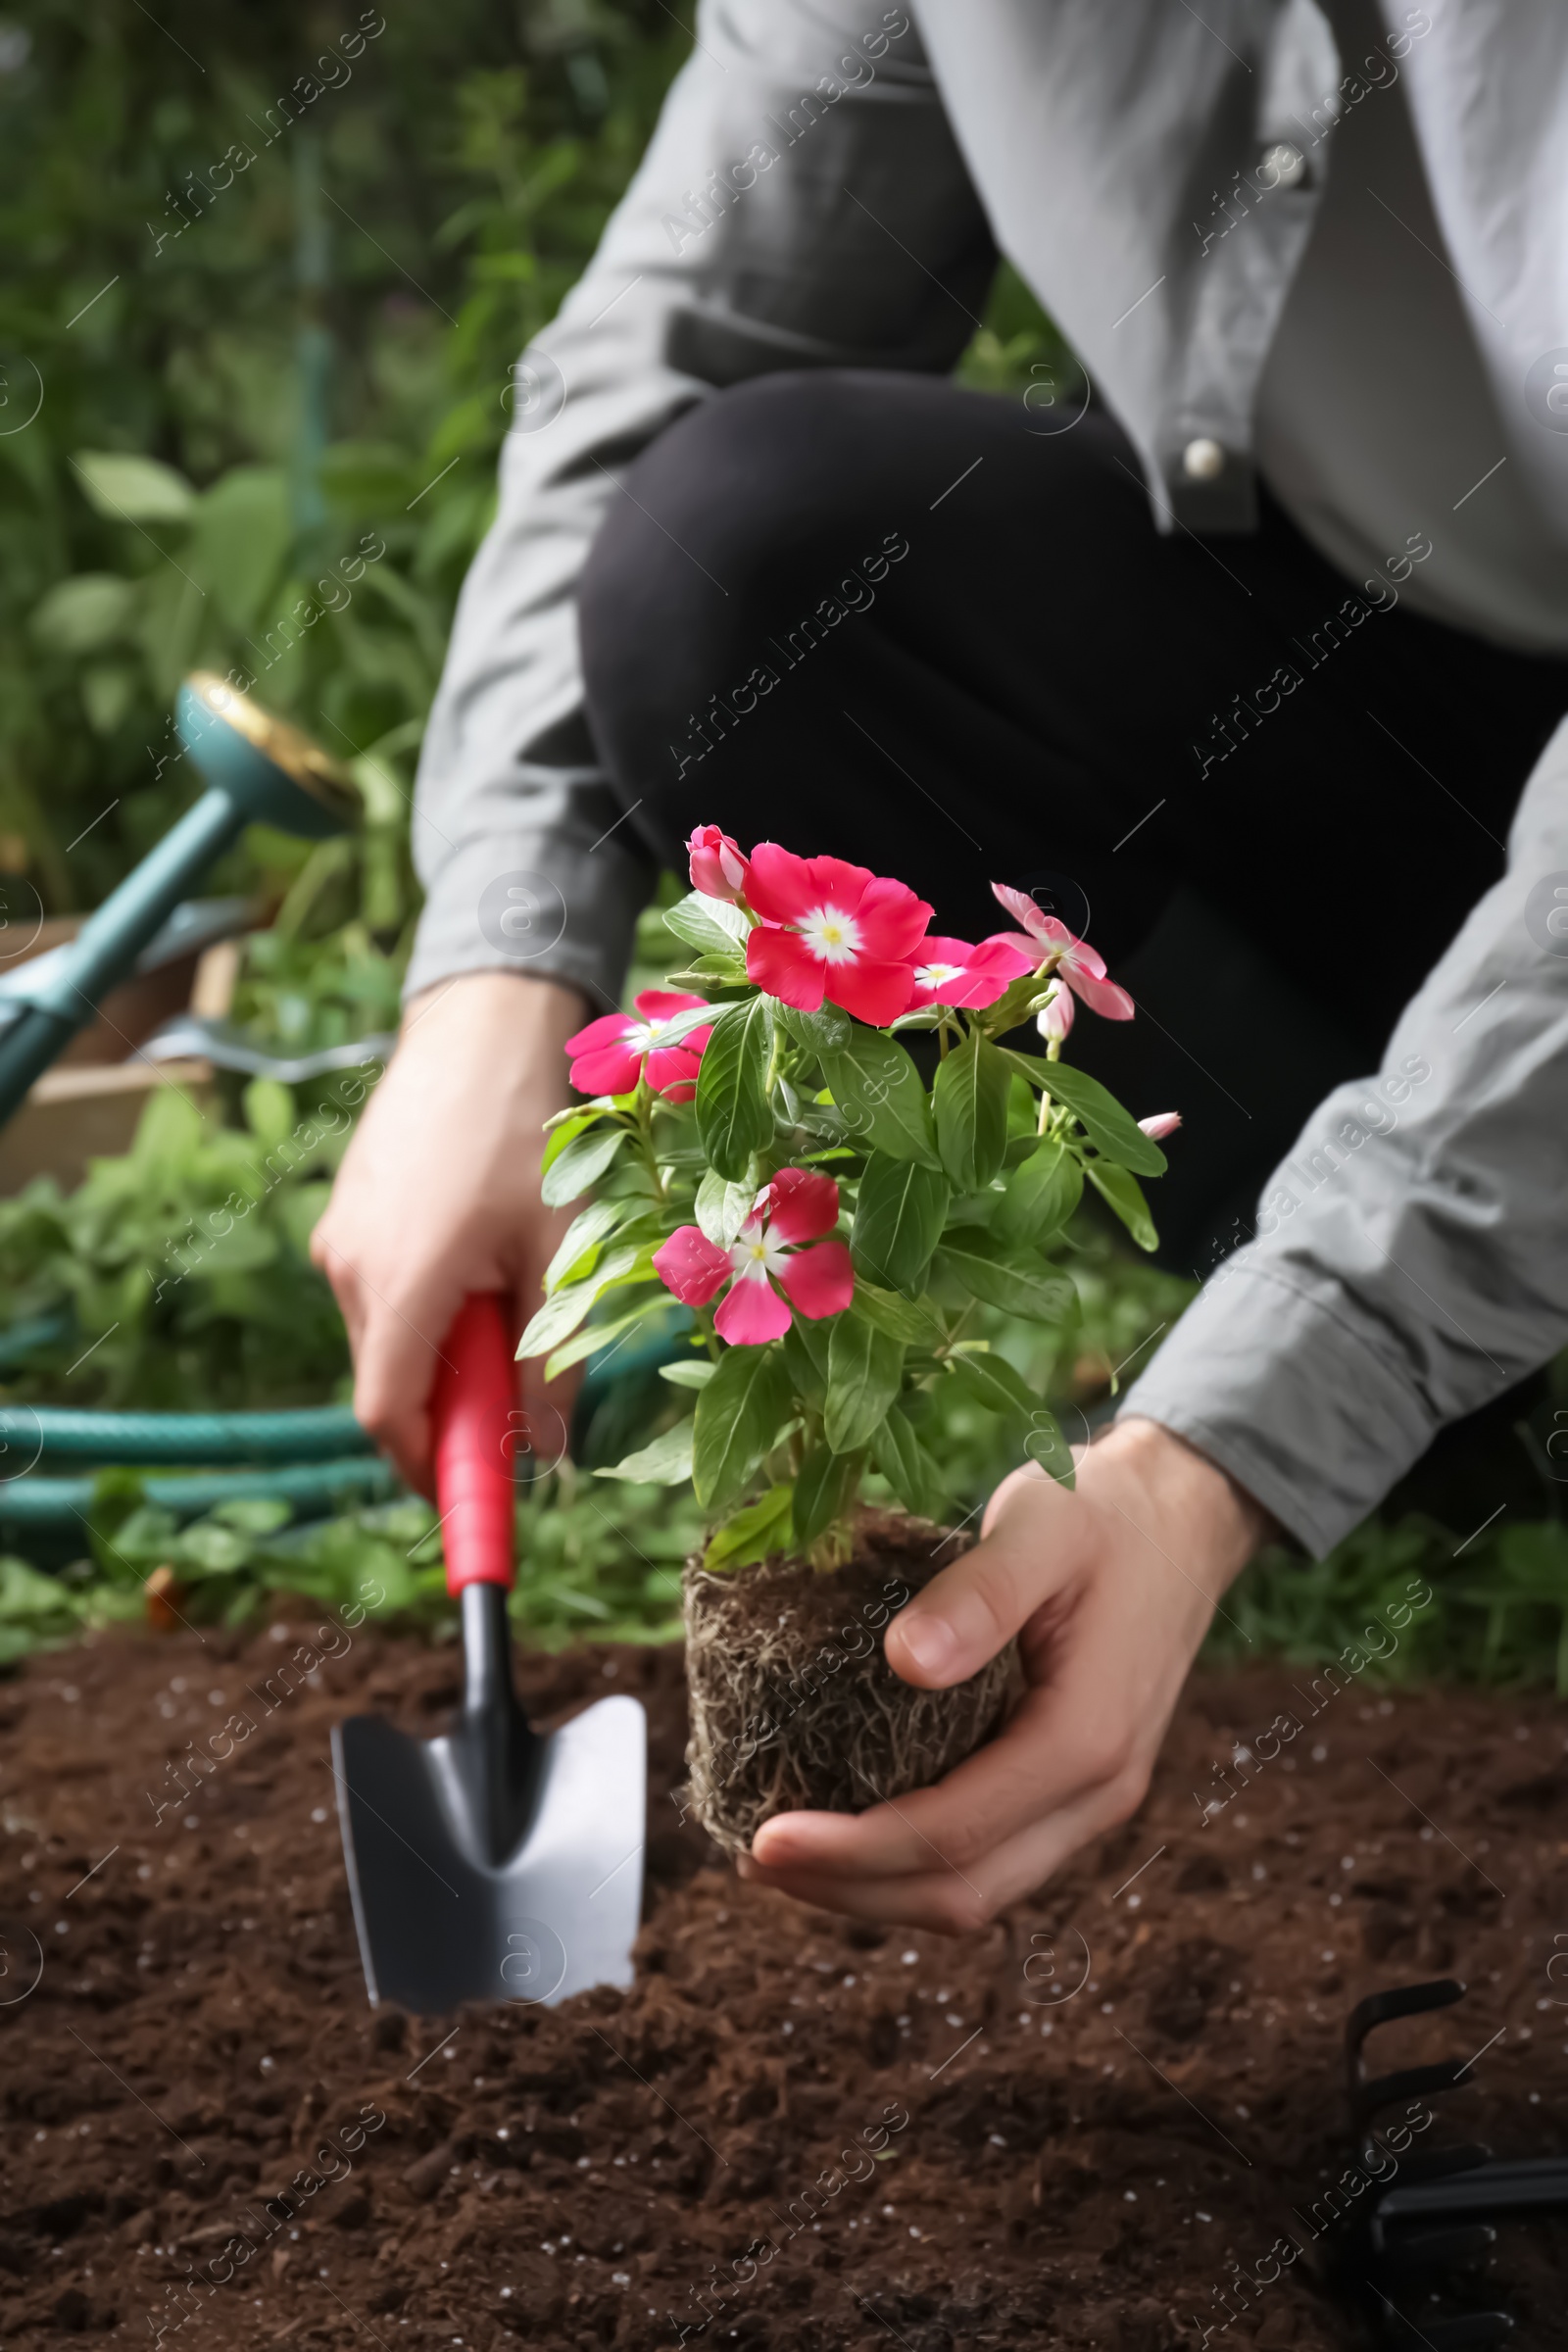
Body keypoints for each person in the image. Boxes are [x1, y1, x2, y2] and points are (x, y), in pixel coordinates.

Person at [314, 0, 1568, 1930]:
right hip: (1381, 653)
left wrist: (1237, 1423)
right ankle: (1480, 1405)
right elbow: (687, 344)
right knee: (735, 560)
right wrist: (497, 982)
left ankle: (1396, 1351)